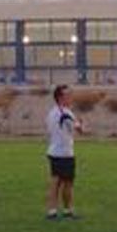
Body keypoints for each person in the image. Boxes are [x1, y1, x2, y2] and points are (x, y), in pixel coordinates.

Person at [45, 84, 82, 220]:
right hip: (64, 153)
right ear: (60, 97)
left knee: (55, 182)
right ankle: (68, 211)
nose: (70, 97)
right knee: (67, 183)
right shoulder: (65, 113)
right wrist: (81, 124)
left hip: (54, 150)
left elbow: (50, 130)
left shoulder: (51, 112)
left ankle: (52, 211)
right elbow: (78, 129)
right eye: (68, 95)